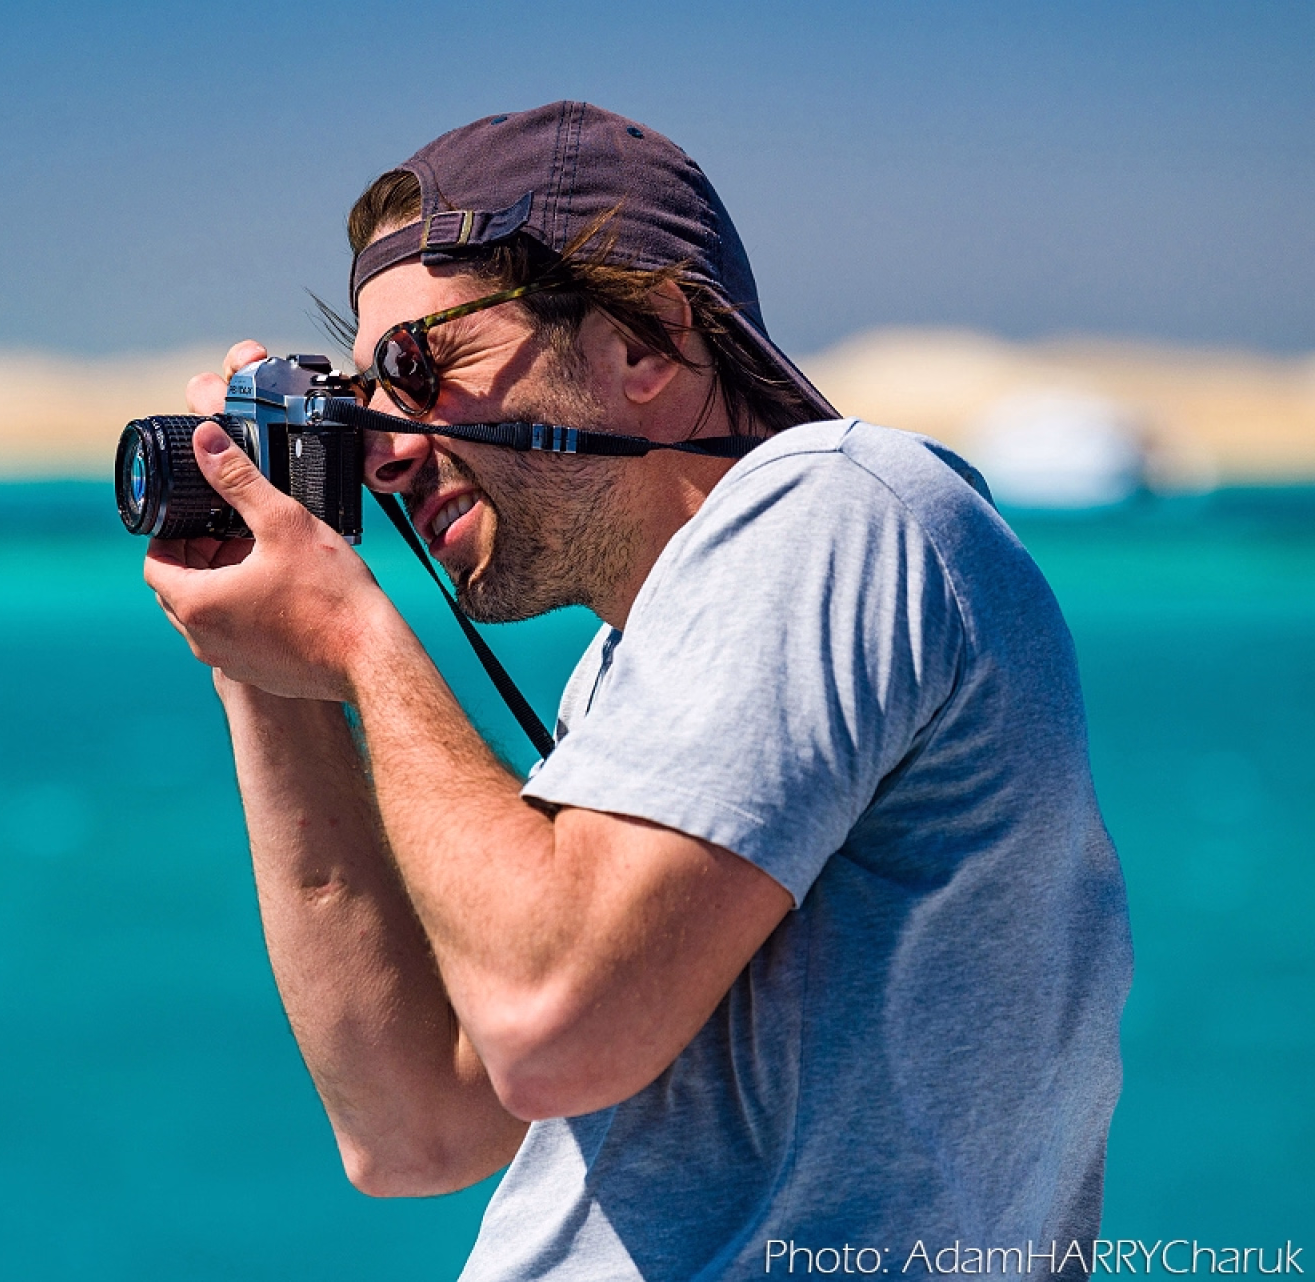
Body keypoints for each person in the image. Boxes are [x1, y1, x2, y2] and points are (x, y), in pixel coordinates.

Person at [142, 101, 1132, 1281]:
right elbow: (413, 1127)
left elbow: (548, 1022)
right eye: (364, 399)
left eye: (420, 367)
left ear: (647, 340)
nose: (387, 446)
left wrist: (360, 638)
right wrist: (267, 673)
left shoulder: (838, 508)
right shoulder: (642, 665)